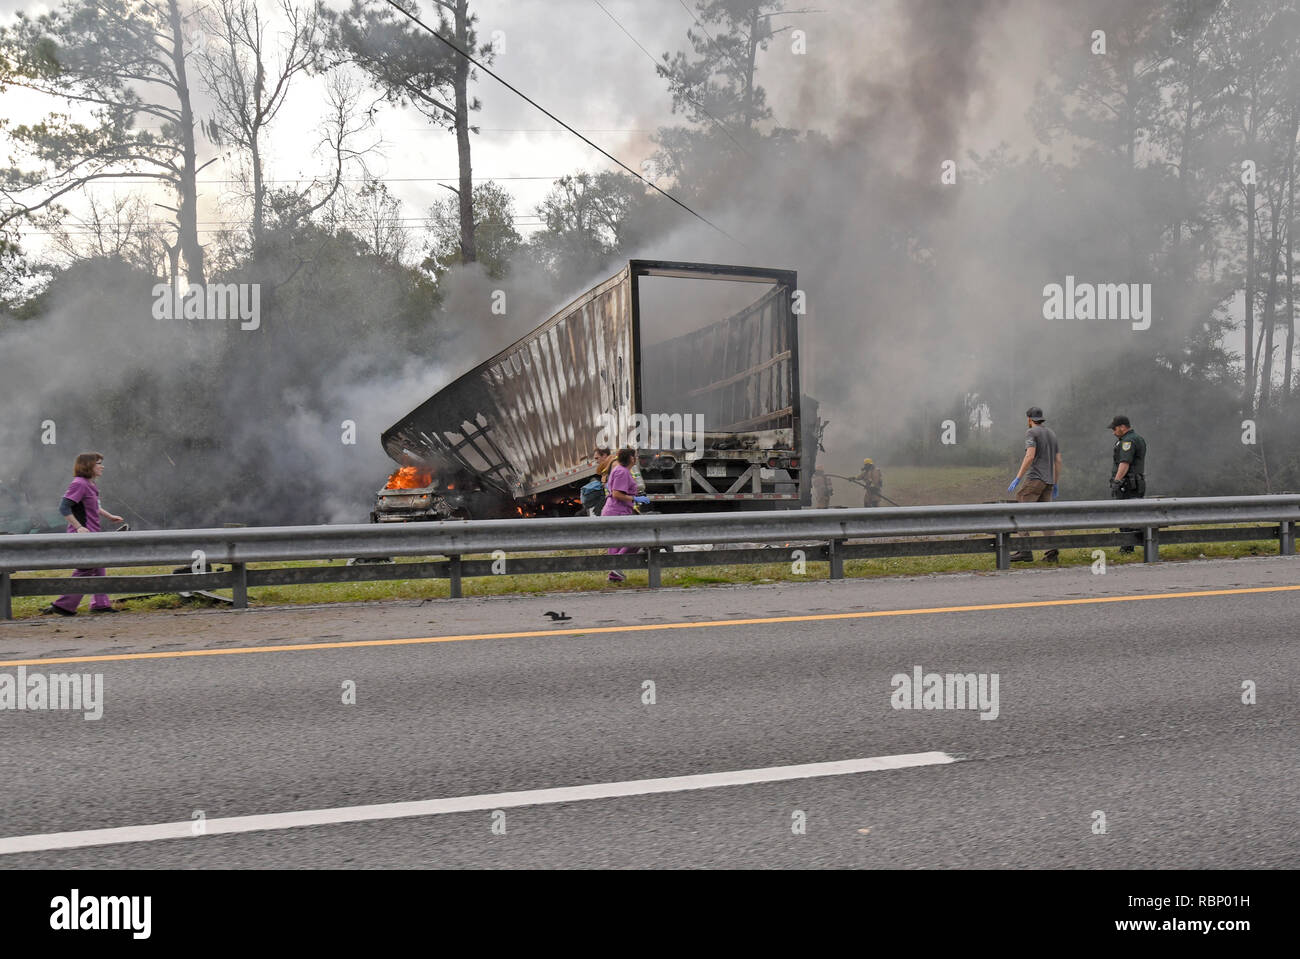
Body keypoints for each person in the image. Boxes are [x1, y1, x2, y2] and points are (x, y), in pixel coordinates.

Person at [43, 452, 124, 616]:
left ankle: (100, 604)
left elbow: (93, 506)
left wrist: (109, 516)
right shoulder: (79, 483)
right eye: (98, 463)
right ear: (88, 466)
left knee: (99, 566)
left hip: (93, 533)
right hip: (83, 534)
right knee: (86, 567)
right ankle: (63, 605)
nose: (102, 466)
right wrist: (78, 527)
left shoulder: (90, 484)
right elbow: (64, 507)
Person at [1006, 407, 1063, 563]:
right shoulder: (1052, 434)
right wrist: (1055, 482)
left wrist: (1018, 478)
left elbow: (1030, 456)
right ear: (1041, 418)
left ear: (1029, 419)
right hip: (1049, 481)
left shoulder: (1031, 433)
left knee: (1021, 508)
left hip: (1035, 478)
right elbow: (1058, 461)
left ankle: (1025, 550)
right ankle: (1051, 553)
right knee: (1046, 516)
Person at [601, 447, 649, 582]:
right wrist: (635, 499)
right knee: (638, 537)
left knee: (616, 542)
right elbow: (617, 494)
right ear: (631, 458)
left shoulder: (621, 471)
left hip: (616, 510)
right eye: (635, 456)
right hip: (617, 510)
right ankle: (617, 565)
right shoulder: (622, 472)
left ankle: (614, 574)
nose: (636, 459)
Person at [1108, 415, 1147, 553]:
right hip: (1136, 483)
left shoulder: (1128, 441)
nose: (1113, 432)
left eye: (1114, 428)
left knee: (1124, 514)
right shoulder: (1138, 438)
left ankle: (1127, 547)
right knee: (1134, 514)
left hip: (1128, 484)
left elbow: (1124, 463)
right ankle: (1139, 543)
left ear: (1123, 427)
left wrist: (1117, 481)